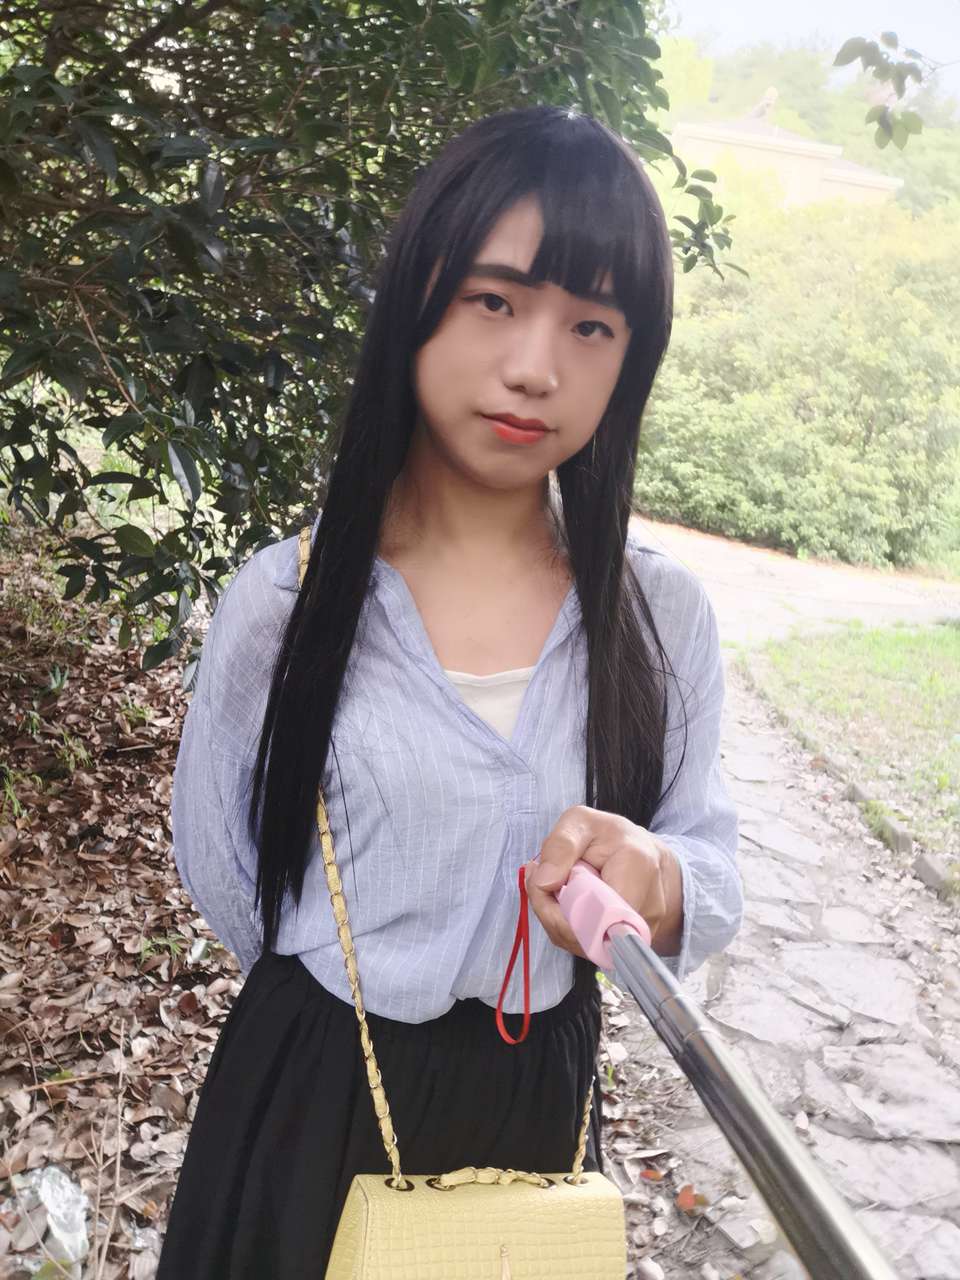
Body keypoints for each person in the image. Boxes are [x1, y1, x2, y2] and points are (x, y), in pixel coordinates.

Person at [155, 103, 743, 1277]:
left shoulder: (658, 616)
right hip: (314, 1093)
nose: (536, 366)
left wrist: (658, 877)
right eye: (495, 300)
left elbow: (710, 865)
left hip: (539, 1106)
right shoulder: (285, 604)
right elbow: (223, 863)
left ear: (631, 361)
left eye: (592, 325)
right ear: (416, 299)